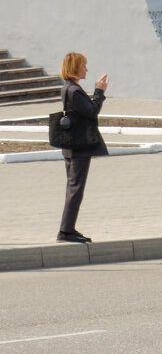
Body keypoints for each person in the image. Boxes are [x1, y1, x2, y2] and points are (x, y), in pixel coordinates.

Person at [56, 52, 108, 244]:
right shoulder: (74, 91)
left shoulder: (69, 88)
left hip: (71, 145)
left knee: (73, 187)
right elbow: (92, 111)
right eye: (83, 65)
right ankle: (66, 230)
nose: (86, 69)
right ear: (75, 67)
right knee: (76, 188)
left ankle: (67, 229)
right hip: (78, 145)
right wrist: (99, 91)